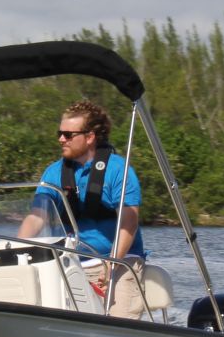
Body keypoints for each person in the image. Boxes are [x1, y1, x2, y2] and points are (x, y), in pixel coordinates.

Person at [17, 100, 147, 318]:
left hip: (119, 262)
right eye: (60, 133)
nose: (61, 139)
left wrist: (112, 263)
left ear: (89, 138)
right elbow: (36, 218)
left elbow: (129, 222)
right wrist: (16, 252)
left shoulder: (118, 170)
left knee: (116, 324)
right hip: (71, 263)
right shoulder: (53, 173)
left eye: (68, 135)